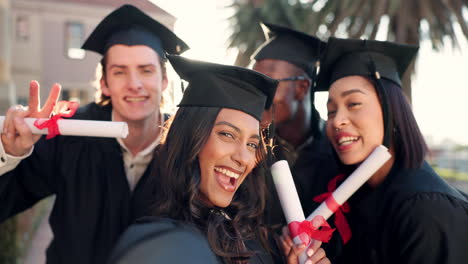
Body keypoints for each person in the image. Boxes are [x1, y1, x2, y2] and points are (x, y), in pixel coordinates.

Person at [0, 4, 188, 264]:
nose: (134, 84)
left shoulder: (185, 147)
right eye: (119, 72)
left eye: (146, 70)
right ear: (104, 83)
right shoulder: (70, 134)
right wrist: (11, 153)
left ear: (164, 80)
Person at [121, 54, 331, 264]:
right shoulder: (162, 244)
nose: (243, 158)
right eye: (228, 135)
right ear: (191, 137)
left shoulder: (255, 239)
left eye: (252, 144)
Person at [311, 37, 468, 263]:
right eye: (331, 111)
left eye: (353, 103)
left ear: (392, 111)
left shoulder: (426, 209)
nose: (337, 121)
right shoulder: (355, 196)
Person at [250, 23, 339, 224]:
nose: (257, 95)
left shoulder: (337, 149)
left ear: (302, 88)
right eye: (254, 84)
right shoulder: (251, 150)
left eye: (268, 84)